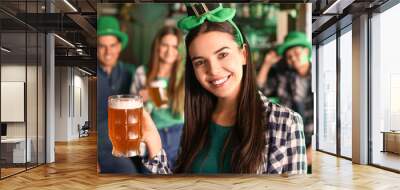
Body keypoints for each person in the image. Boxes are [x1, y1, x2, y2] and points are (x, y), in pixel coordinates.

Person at [140, 3, 307, 174]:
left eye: (223, 54)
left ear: (244, 54)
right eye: (200, 62)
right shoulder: (196, 119)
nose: (213, 70)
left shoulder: (285, 122)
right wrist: (154, 143)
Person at [131, 26, 185, 170]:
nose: (169, 51)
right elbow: (131, 114)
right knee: (151, 176)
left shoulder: (185, 75)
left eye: (174, 47)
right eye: (165, 45)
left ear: (179, 50)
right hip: (152, 132)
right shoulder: (142, 73)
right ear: (157, 46)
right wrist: (141, 99)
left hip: (179, 133)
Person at [260, 31, 314, 174]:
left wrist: (313, 147)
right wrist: (266, 64)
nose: (293, 59)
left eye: (296, 53)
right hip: (291, 137)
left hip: (313, 142)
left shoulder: (320, 73)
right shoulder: (284, 77)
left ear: (307, 51)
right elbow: (259, 91)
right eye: (289, 57)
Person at [97, 16, 142, 173]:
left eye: (112, 45)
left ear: (119, 46)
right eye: (102, 46)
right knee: (129, 174)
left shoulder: (130, 72)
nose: (108, 52)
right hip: (102, 147)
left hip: (128, 142)